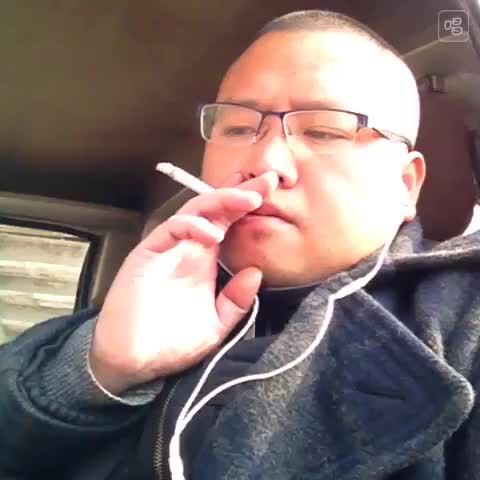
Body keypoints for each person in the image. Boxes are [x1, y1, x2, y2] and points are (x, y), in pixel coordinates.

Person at [1, 9, 480, 480]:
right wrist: (98, 374)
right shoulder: (102, 332)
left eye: (324, 130)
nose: (266, 161)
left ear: (405, 186)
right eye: (238, 128)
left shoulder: (461, 323)